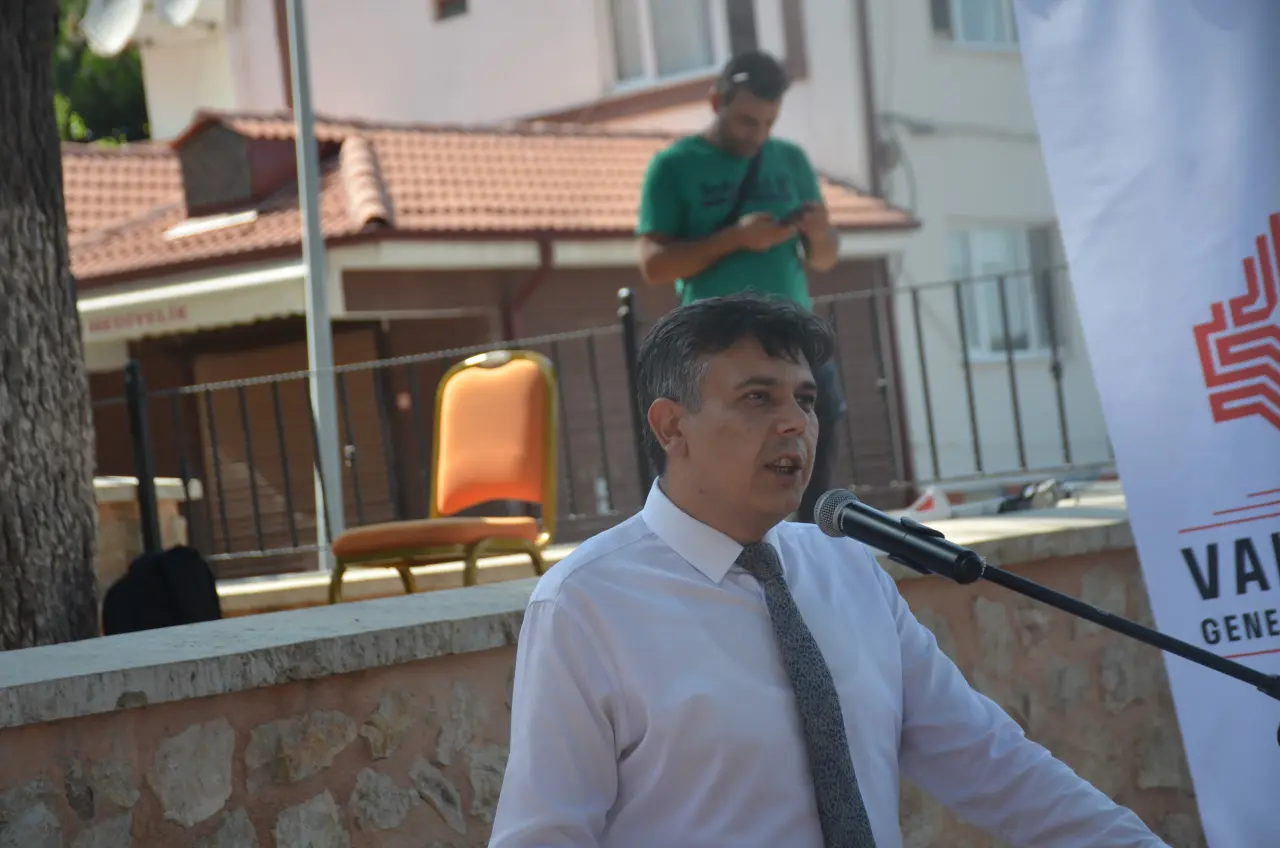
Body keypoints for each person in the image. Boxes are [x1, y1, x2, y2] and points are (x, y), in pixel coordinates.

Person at [489, 294, 1168, 848]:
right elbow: (543, 834)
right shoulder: (586, 604)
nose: (795, 424)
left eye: (807, 400)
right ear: (671, 427)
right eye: (758, 399)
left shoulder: (847, 568)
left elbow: (991, 763)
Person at [635, 48, 845, 524]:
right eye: (747, 121)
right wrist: (736, 239)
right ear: (717, 102)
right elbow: (653, 264)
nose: (758, 135)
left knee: (812, 463)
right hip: (716, 349)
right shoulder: (673, 166)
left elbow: (826, 257)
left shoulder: (790, 159)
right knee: (720, 470)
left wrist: (818, 232)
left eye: (769, 123)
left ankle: (804, 550)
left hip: (792, 341)